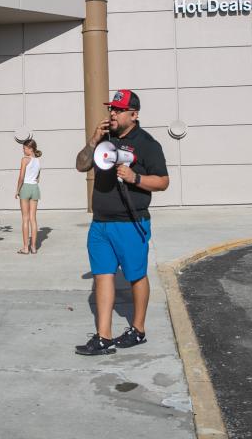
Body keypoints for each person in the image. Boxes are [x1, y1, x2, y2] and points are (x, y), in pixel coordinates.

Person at [73, 90, 169, 355]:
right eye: (111, 109)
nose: (112, 114)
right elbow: (81, 165)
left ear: (134, 114)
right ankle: (104, 337)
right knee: (103, 276)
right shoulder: (105, 138)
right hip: (100, 223)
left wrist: (134, 178)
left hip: (130, 222)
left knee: (136, 275)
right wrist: (93, 139)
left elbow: (163, 181)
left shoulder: (148, 144)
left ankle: (138, 330)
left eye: (118, 110)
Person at [14, 139, 42, 254]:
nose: (23, 150)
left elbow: (21, 177)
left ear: (31, 149)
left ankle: (26, 248)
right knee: (33, 219)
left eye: (25, 148)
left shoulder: (25, 160)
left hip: (25, 188)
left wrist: (17, 190)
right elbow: (38, 178)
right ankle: (34, 247)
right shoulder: (38, 161)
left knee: (25, 218)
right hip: (35, 188)